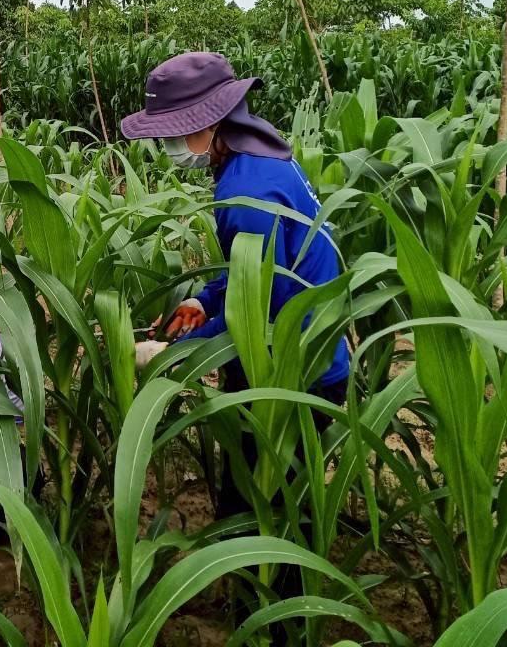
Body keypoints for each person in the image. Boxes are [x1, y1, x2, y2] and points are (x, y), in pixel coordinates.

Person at [121, 52, 350, 516]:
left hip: (292, 369)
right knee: (271, 501)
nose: (169, 143)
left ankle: (272, 588)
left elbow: (260, 311)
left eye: (173, 131)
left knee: (262, 512)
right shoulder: (262, 158)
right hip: (309, 349)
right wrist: (204, 303)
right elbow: (258, 270)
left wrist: (177, 354)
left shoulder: (247, 192)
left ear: (208, 124)